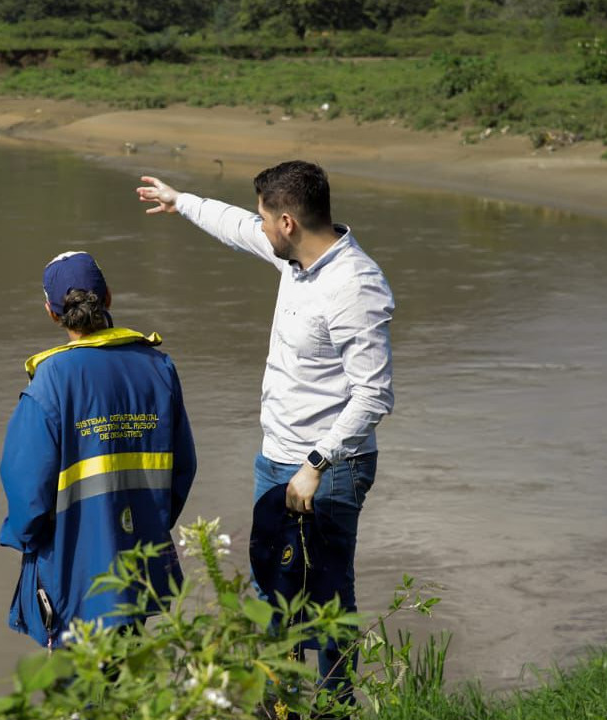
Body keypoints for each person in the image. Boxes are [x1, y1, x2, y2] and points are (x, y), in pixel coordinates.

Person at [136, 161, 394, 701]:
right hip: (274, 460)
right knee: (270, 591)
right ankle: (278, 707)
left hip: (328, 472)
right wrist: (181, 201)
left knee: (325, 599)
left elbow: (374, 395)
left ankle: (333, 708)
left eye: (264, 218)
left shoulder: (354, 285)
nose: (259, 227)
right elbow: (236, 226)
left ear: (287, 222)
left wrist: (314, 466)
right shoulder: (296, 261)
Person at [0, 250, 197, 649]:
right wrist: (149, 522)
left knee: (81, 692)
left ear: (52, 312)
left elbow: (26, 490)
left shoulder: (49, 382)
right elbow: (183, 468)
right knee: (130, 678)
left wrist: (23, 537)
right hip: (138, 562)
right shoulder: (158, 367)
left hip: (73, 572)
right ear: (108, 298)